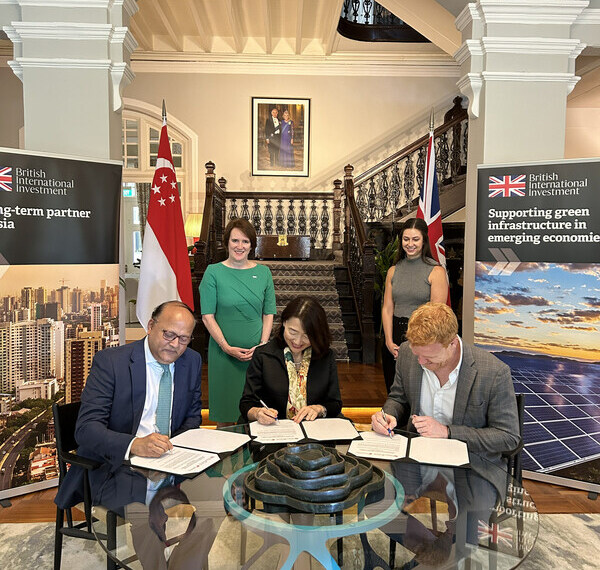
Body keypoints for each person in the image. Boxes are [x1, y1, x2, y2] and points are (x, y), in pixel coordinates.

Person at [55, 301, 202, 510]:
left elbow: (193, 417)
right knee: (142, 521)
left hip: (170, 462)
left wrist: (172, 448)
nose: (175, 344)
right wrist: (135, 444)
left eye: (184, 339)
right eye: (169, 334)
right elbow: (86, 429)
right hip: (117, 465)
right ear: (151, 326)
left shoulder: (192, 360)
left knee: (211, 503)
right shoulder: (111, 362)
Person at [372, 302, 519, 467]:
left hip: (472, 468)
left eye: (429, 358)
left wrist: (447, 432)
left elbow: (508, 437)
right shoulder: (406, 352)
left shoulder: (494, 372)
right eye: (417, 354)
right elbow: (398, 398)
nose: (420, 362)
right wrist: (388, 415)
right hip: (416, 461)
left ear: (453, 344)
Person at [200, 218, 276, 427]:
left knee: (258, 416)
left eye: (245, 241)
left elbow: (268, 313)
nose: (239, 246)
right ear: (227, 243)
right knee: (225, 417)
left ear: (252, 245)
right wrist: (226, 347)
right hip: (223, 355)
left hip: (257, 356)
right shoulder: (213, 272)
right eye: (235, 240)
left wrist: (262, 346)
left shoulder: (263, 273)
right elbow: (207, 316)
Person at [240, 296, 343, 424]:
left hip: (314, 431)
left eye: (306, 336)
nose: (298, 341)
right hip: (274, 431)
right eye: (293, 332)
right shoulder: (263, 355)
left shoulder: (326, 357)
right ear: (284, 323)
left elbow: (335, 403)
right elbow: (246, 403)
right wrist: (257, 413)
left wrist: (319, 409)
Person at [381, 218, 448, 393]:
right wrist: (388, 341)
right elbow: (388, 308)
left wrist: (416, 344)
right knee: (393, 390)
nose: (410, 244)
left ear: (424, 241)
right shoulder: (393, 271)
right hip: (394, 335)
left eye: (415, 239)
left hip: (423, 337)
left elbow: (436, 314)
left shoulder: (436, 271)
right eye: (406, 239)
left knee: (418, 392)